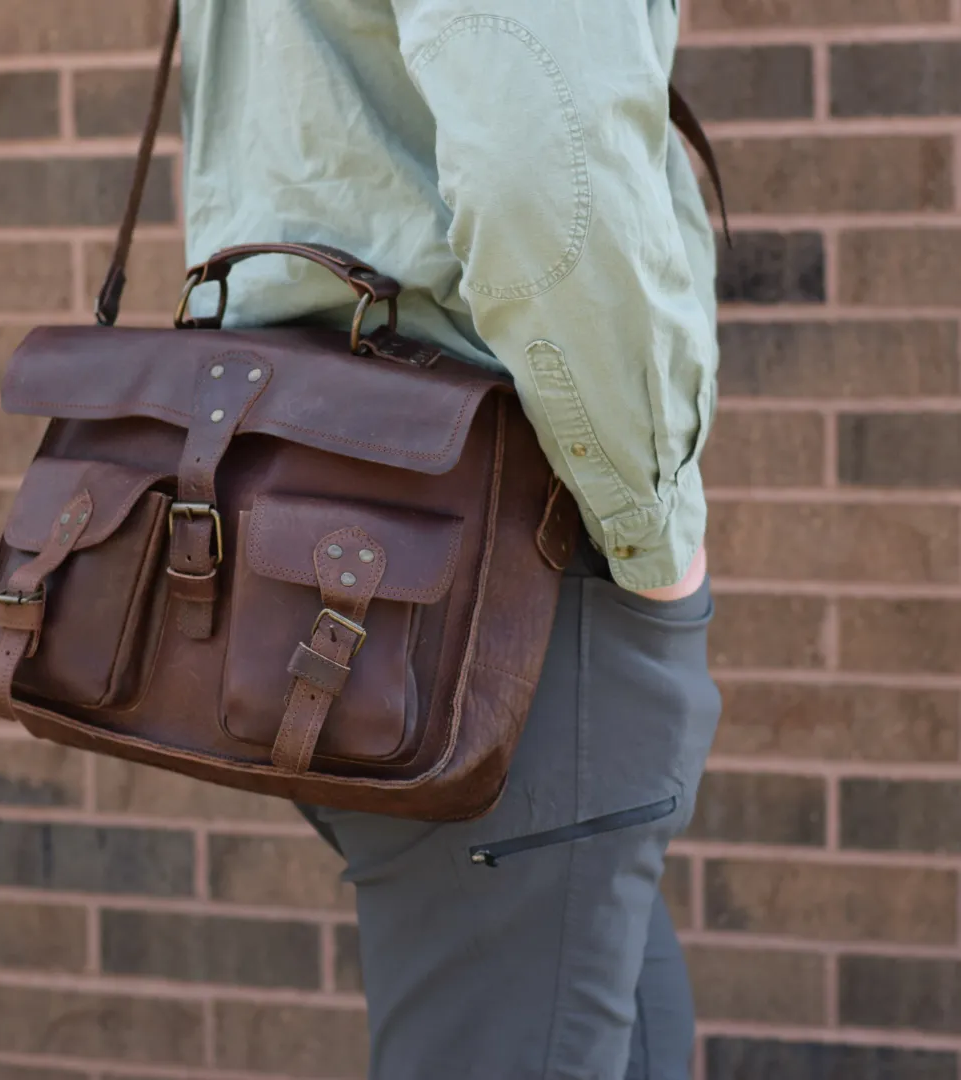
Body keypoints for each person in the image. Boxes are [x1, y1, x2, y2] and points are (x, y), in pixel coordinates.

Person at [179, 2, 722, 1077]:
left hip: (312, 520)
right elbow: (540, 175)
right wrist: (652, 534)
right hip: (498, 579)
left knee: (600, 1003)